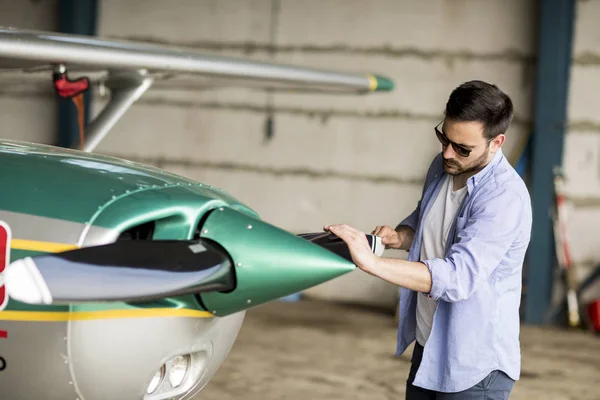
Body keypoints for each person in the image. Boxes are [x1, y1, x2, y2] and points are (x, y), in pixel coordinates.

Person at [324, 80, 532, 399]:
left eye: (462, 148)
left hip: (473, 365)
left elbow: (457, 276)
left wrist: (373, 263)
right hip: (431, 344)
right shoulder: (444, 165)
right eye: (444, 139)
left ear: (497, 142)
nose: (448, 152)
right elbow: (428, 219)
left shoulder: (504, 200)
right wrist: (400, 236)